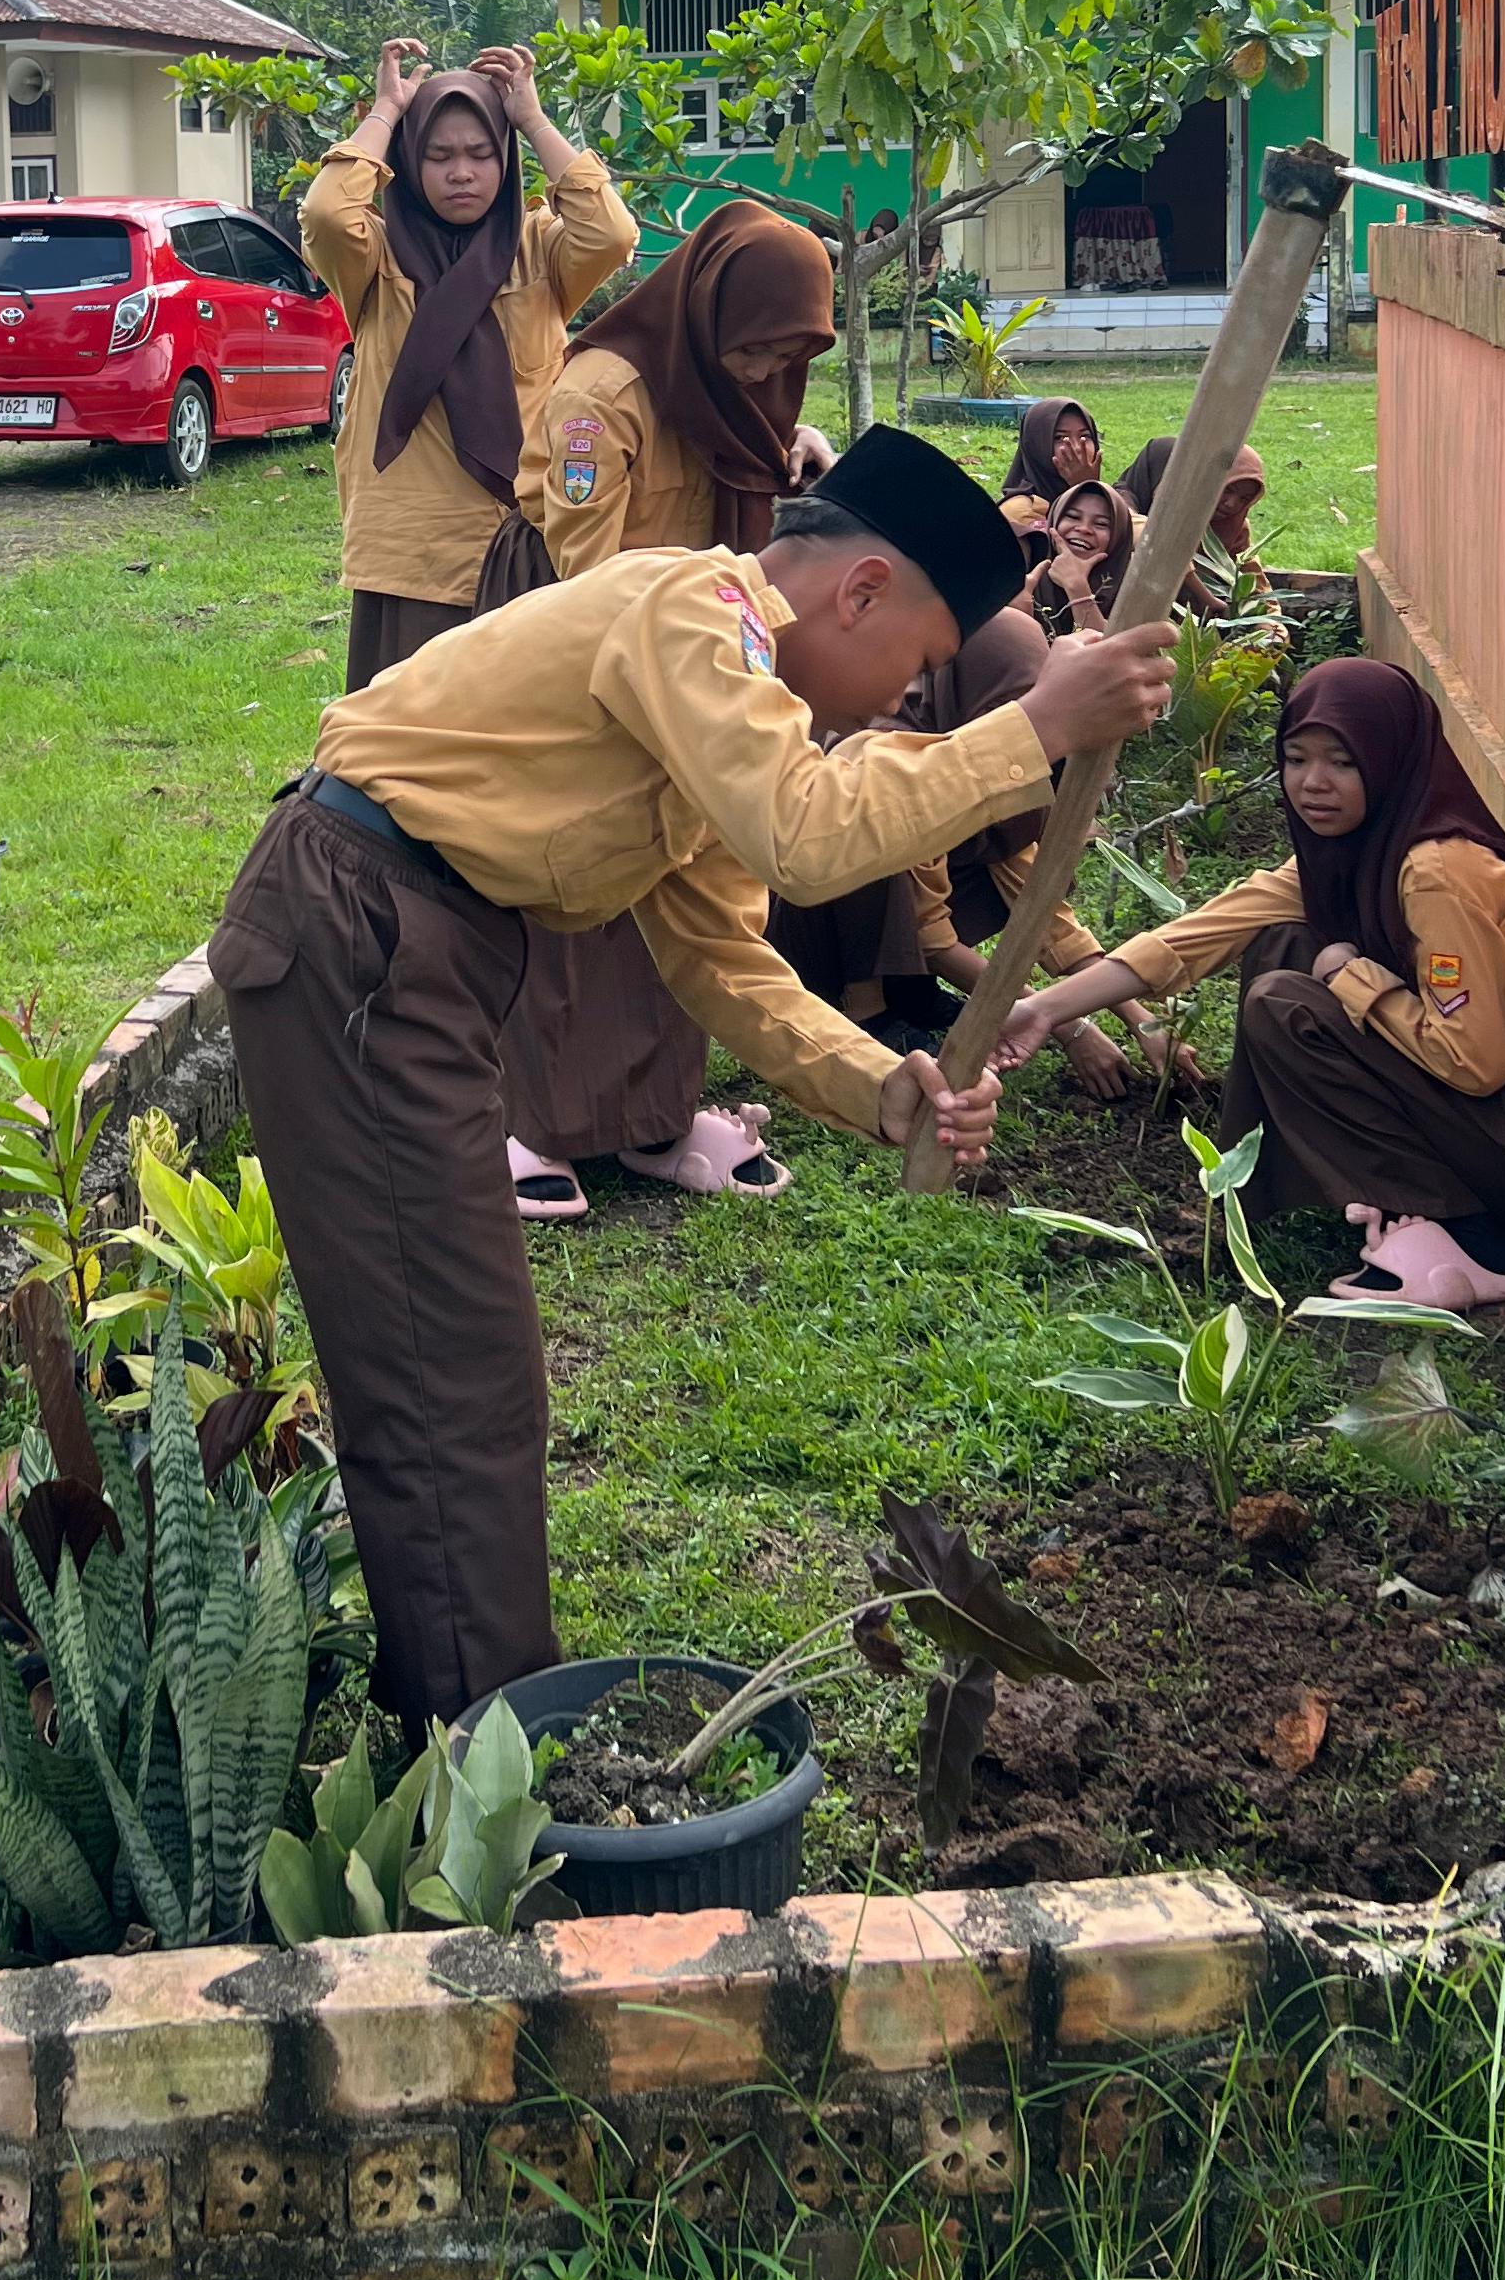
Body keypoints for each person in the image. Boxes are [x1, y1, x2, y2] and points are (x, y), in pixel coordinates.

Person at [208, 426, 1178, 1723]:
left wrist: (884, 1084)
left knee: (464, 1373)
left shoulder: (726, 690)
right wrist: (1032, 728)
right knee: (450, 1375)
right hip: (360, 931)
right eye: (922, 668)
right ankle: (485, 1745)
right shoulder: (695, 610)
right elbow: (814, 835)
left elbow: (722, 955)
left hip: (406, 949)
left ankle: (477, 1724)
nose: (901, 701)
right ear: (863, 591)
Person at [998, 658, 1505, 1310]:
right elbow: (1192, 940)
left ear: (1390, 760)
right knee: (1282, 944)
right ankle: (1266, 1190)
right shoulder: (1359, 853)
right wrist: (1047, 1011)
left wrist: (1354, 980)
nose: (1313, 784)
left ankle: (1476, 1242)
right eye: (1296, 758)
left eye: (1342, 762)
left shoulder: (1435, 874)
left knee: (1290, 999)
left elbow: (1477, 1061)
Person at [495, 203, 841, 1212]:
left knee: (680, 857)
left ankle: (651, 1113)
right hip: (577, 630)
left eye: (795, 354)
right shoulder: (600, 400)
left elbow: (747, 488)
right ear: (708, 313)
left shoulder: (745, 395)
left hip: (686, 640)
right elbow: (583, 564)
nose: (769, 373)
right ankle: (533, 1119)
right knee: (568, 863)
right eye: (758, 346)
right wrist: (674, 669)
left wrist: (796, 447)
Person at [301, 39, 636, 690]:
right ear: (409, 160)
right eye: (440, 155)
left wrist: (533, 120)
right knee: (405, 758)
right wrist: (385, 112)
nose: (462, 173)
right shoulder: (377, 260)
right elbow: (326, 215)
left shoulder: (539, 250)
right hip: (412, 556)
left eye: (482, 155)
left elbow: (612, 233)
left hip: (522, 543)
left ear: (505, 160)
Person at [896, 608, 1177, 1102]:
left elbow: (1043, 910)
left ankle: (907, 996)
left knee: (997, 869)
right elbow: (930, 936)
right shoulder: (904, 761)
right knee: (889, 894)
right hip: (818, 931)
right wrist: (1069, 1027)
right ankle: (870, 1007)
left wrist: (1142, 1019)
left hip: (917, 914)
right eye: (1009, 710)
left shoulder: (1003, 766)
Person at [1119, 435, 1280, 633]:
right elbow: (1150, 541)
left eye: (1244, 498)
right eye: (1228, 490)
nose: (1232, 504)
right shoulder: (1117, 507)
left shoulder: (1232, 526)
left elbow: (1253, 580)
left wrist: (1271, 626)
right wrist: (1206, 597)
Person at [1023, 477, 1135, 638]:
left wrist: (1077, 587)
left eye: (1101, 524)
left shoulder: (1133, 589)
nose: (1084, 529)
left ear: (1118, 537)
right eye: (1073, 517)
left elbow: (1109, 656)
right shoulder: (1025, 562)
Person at [997, 394, 1102, 528]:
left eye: (1085, 436)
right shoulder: (1022, 510)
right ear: (1036, 446)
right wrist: (1085, 489)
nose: (1076, 447)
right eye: (1060, 438)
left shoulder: (1107, 497)